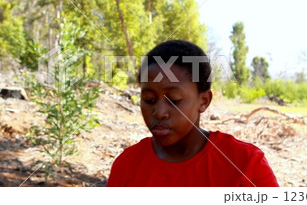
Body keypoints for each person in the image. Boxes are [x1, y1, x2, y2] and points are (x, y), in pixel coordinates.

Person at [107, 40, 279, 187]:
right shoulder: (127, 165)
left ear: (203, 101)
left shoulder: (245, 164)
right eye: (149, 99)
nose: (159, 113)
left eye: (174, 100)